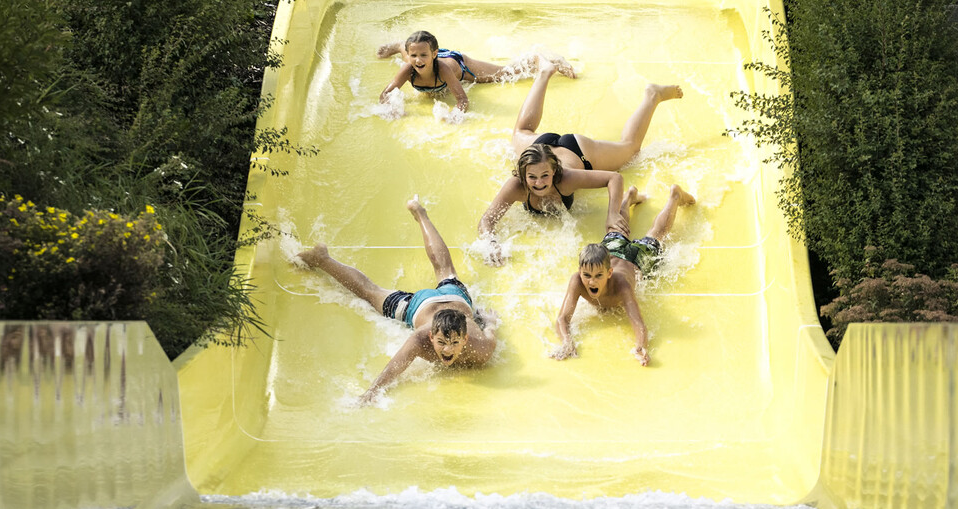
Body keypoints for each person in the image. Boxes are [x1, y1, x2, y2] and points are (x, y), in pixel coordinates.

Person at [477, 61, 684, 265]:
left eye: (544, 176)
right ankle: (545, 71)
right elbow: (486, 220)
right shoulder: (516, 186)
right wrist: (491, 241)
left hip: (577, 150)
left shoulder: (566, 178)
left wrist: (612, 214)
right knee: (520, 133)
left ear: (554, 171)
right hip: (538, 149)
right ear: (522, 174)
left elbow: (614, 178)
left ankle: (652, 95)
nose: (538, 183)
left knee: (630, 149)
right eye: (532, 177)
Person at [297, 198, 499, 405]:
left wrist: (490, 322)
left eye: (454, 343)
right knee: (370, 292)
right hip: (419, 305)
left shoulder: (482, 349)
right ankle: (322, 259)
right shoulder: (420, 340)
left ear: (465, 339)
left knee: (444, 268)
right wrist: (372, 392)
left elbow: (490, 334)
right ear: (430, 335)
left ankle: (420, 213)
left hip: (454, 297)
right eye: (441, 342)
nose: (447, 350)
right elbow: (395, 366)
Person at [549, 184, 695, 366]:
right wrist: (566, 342)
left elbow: (638, 323)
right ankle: (629, 198)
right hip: (612, 249)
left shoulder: (622, 286)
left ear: (609, 273)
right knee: (616, 230)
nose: (591, 281)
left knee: (657, 235)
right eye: (586, 275)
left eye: (598, 276)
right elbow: (562, 319)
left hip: (636, 259)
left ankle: (675, 196)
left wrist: (641, 346)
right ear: (580, 271)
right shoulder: (577, 280)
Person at [377, 30, 575, 112]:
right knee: (409, 54)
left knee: (505, 74)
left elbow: (462, 100)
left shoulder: (443, 69)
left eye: (423, 56)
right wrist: (392, 109)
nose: (417, 60)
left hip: (459, 65)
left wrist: (455, 114)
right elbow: (386, 93)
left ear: (434, 54)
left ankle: (542, 59)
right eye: (415, 56)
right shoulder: (410, 66)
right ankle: (399, 45)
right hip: (429, 56)